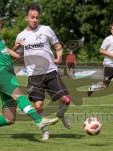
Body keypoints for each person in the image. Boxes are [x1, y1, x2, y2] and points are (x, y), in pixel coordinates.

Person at [13, 3, 71, 140]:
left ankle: (61, 114)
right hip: (34, 76)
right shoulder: (21, 36)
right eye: (32, 17)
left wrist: (59, 57)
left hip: (51, 72)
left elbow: (58, 47)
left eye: (37, 18)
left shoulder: (46, 30)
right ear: (26, 18)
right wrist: (14, 48)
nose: (35, 20)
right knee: (38, 107)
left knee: (67, 100)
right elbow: (15, 55)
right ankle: (44, 131)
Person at [87, 22, 113, 109]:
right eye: (112, 29)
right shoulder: (108, 39)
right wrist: (111, 55)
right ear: (111, 30)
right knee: (105, 86)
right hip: (108, 66)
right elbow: (101, 50)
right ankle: (93, 87)